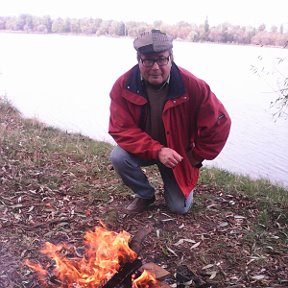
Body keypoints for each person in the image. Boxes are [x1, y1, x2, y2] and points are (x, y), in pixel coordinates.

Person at [108, 29, 231, 215]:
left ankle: (176, 186)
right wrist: (158, 151)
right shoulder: (123, 85)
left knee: (179, 208)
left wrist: (197, 155)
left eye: (161, 59)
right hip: (144, 149)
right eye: (148, 60)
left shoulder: (193, 86)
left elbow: (220, 123)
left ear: (171, 58)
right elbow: (120, 129)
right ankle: (145, 194)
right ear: (138, 60)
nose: (155, 67)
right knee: (118, 157)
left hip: (178, 154)